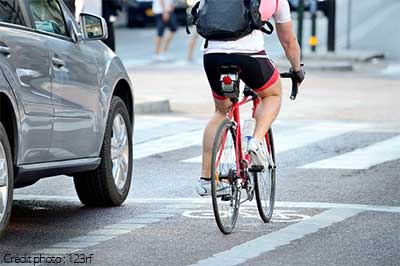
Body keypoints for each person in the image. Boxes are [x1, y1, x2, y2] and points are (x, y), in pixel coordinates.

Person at [197, 0, 305, 196]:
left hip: (213, 55)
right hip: (250, 57)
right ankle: (255, 141)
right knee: (272, 94)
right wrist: (297, 70)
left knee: (222, 111)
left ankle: (205, 179)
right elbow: (289, 42)